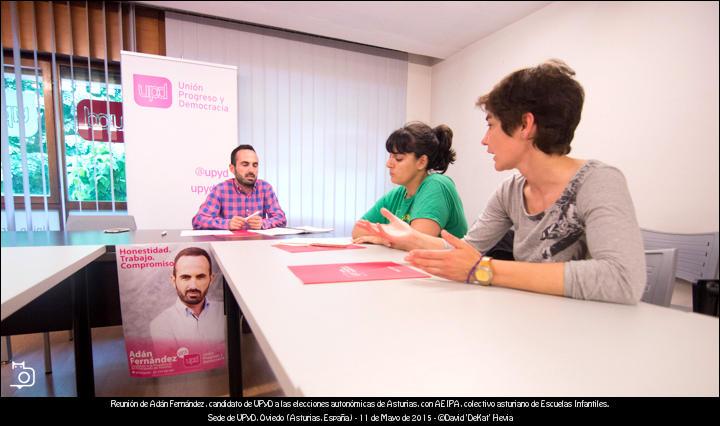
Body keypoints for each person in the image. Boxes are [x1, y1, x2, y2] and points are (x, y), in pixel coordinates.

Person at [356, 60, 646, 305]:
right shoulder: (510, 191)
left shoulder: (598, 181)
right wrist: (409, 239)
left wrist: (486, 270)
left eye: (490, 124)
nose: (484, 139)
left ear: (525, 125)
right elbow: (465, 253)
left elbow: (623, 279)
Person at [352, 122, 468, 244]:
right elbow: (358, 230)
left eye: (398, 158)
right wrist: (392, 235)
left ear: (422, 162)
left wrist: (382, 236)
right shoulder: (399, 193)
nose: (389, 164)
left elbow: (416, 242)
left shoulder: (436, 185)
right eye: (390, 156)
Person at [192, 145, 287, 230]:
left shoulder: (265, 188)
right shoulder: (220, 190)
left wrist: (264, 223)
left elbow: (281, 218)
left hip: (258, 244)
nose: (251, 170)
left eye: (255, 165)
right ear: (232, 168)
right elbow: (198, 220)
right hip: (229, 245)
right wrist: (227, 224)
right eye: (245, 164)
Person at [150, 247, 225, 348]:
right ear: (173, 281)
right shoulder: (160, 324)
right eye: (185, 277)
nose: (193, 286)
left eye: (200, 277)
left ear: (211, 279)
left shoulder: (224, 313)